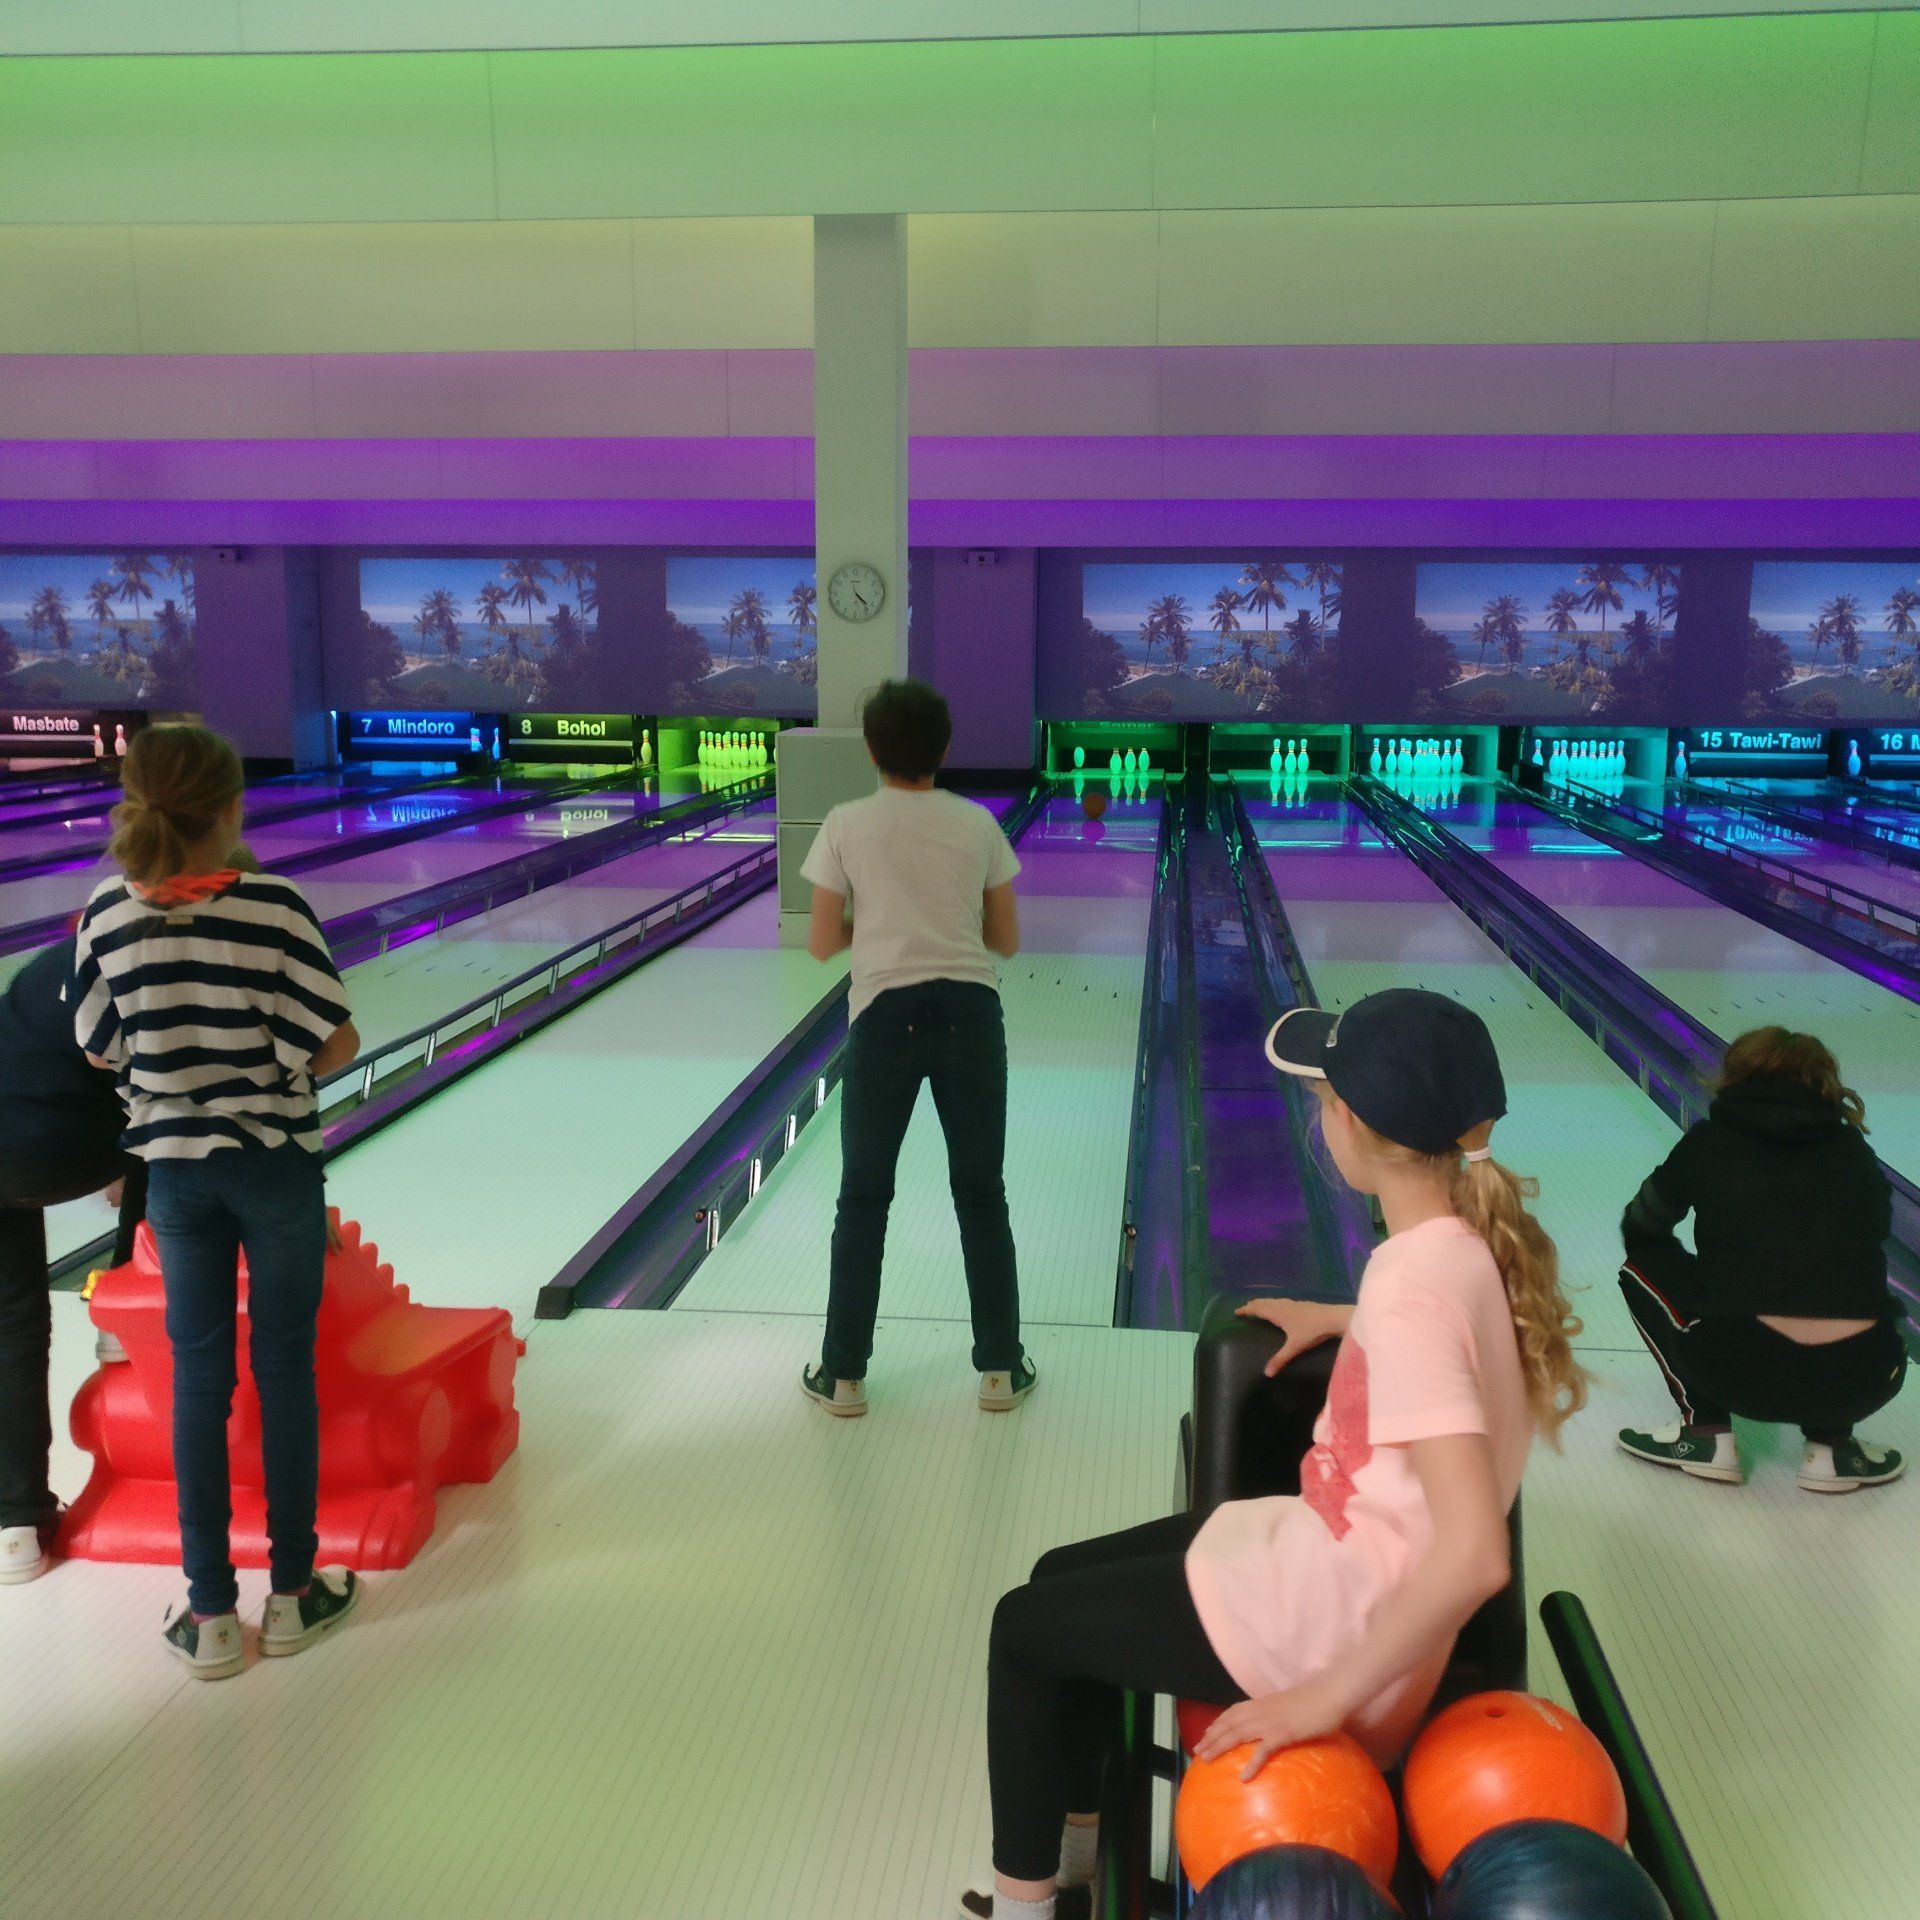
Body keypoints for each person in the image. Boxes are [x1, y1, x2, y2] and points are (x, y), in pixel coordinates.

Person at [958, 988, 1585, 1920]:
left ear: (1352, 1126)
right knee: (1057, 1575)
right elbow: (1429, 1338)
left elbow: (1473, 1555)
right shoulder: (1455, 1249)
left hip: (1330, 1623)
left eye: (1322, 1097)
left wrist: (1319, 1700)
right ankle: (1082, 1866)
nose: (1316, 1115)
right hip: (1323, 1564)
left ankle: (1024, 1908)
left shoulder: (1412, 1290)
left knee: (1022, 1628)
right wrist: (1347, 1321)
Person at [71, 725, 363, 1678]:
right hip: (274, 1164)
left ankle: (209, 1617)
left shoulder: (105, 914)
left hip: (178, 1177)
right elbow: (337, 1042)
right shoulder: (274, 906)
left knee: (198, 1381)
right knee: (285, 1370)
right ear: (234, 808)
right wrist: (267, 1068)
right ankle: (292, 1593)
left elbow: (96, 1047)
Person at [799, 678, 1028, 1417]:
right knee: (981, 1195)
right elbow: (1007, 942)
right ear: (946, 748)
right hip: (970, 1013)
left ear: (871, 749)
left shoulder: (844, 823)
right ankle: (998, 1371)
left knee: (863, 1200)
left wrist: (882, 928)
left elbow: (819, 944)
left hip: (882, 1016)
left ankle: (843, 1377)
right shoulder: (978, 824)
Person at [1616, 1025, 1906, 1493]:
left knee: (1641, 1266)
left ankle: (1706, 1433)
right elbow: (1871, 1234)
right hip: (1869, 1376)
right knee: (1845, 1281)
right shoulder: (1854, 1150)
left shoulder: (1709, 1142)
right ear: (1825, 1084)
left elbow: (1641, 1227)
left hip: (1738, 1372)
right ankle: (1832, 1448)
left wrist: (1713, 1268)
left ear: (1734, 1078)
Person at [0, 938, 148, 1585]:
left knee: (12, 1322)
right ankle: (120, 1302)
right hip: (72, 1136)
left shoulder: (64, 956)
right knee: (178, 1121)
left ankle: (15, 1529)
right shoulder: (171, 956)